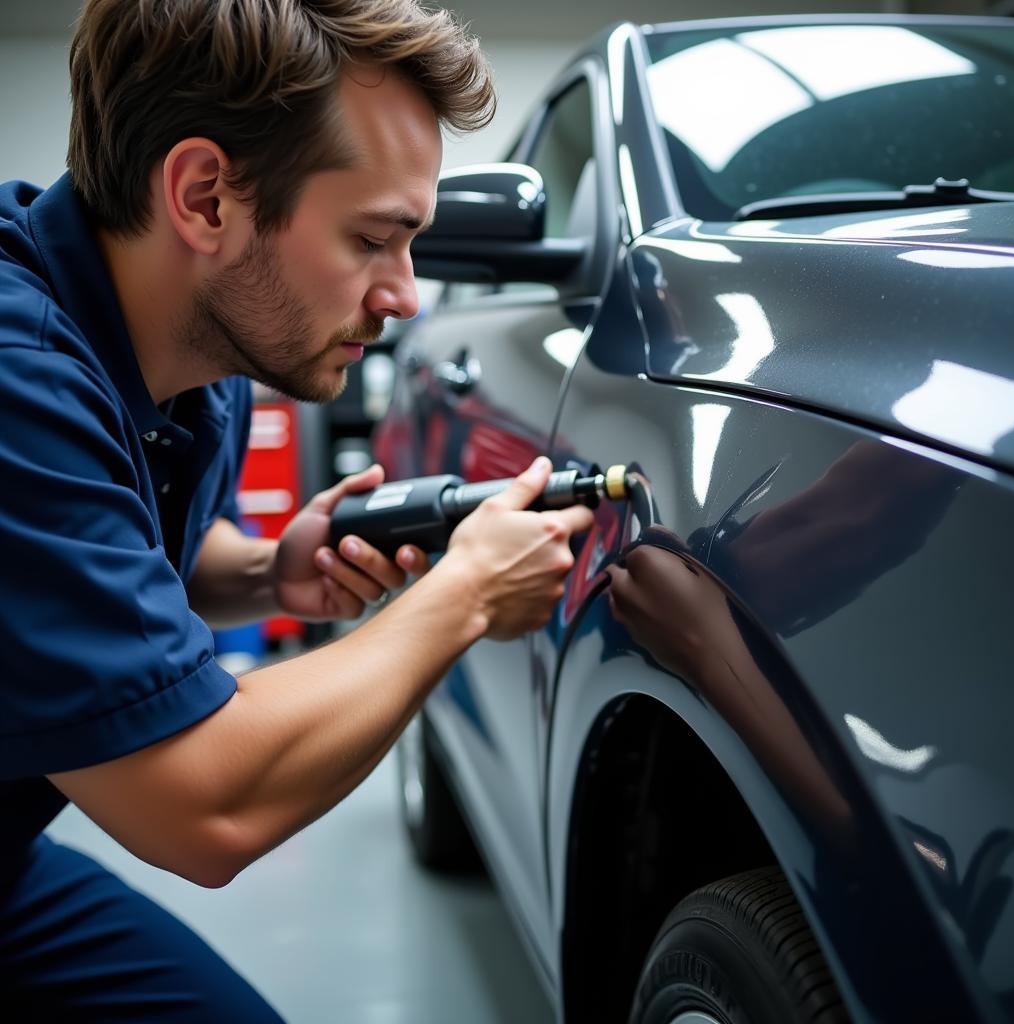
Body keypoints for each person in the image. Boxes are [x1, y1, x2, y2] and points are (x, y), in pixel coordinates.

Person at [0, 1, 594, 1018]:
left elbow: (127, 564)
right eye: (373, 238)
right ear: (205, 197)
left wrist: (272, 571)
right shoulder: (18, 382)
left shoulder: (202, 345)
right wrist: (464, 594)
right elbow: (201, 803)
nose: (406, 296)